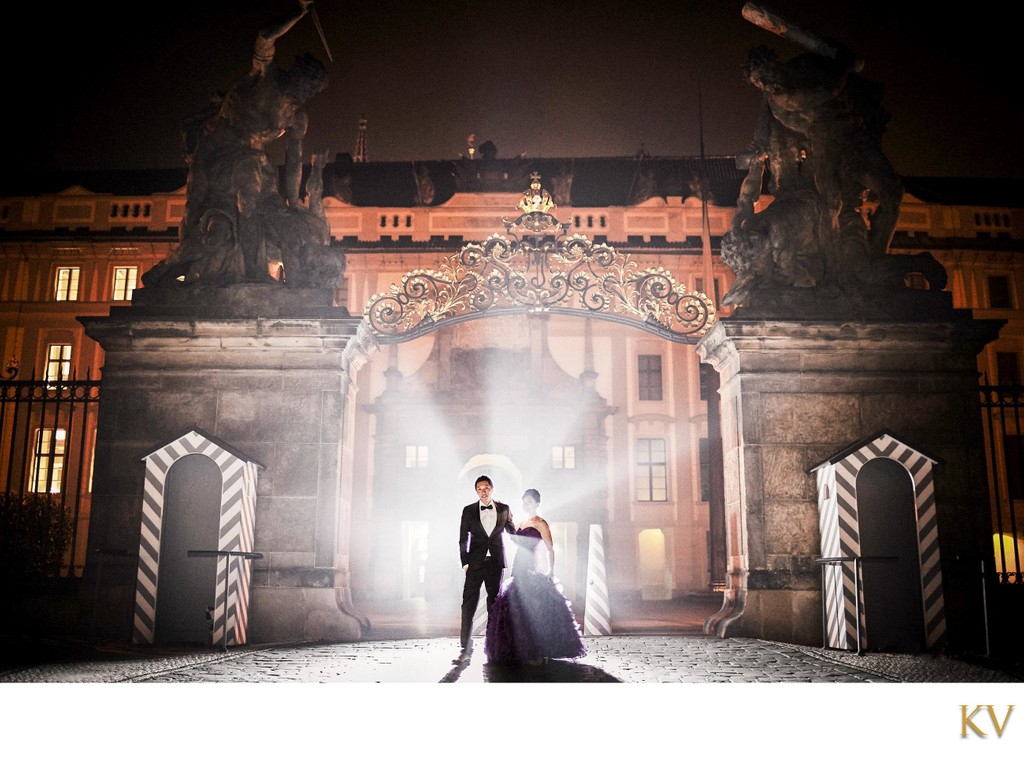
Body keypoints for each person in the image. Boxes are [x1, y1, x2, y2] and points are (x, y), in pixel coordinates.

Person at [143, 0, 331, 288]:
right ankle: (176, 269)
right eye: (304, 83)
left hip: (253, 164)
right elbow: (265, 37)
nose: (303, 92)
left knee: (255, 208)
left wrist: (292, 202)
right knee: (196, 213)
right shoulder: (266, 76)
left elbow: (294, 161)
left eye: (310, 90)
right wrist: (299, 11)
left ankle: (253, 272)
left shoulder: (297, 116)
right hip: (216, 151)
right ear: (296, 73)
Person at [484, 488, 586, 665]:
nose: (526, 504)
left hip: (532, 566)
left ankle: (538, 652)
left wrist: (551, 571)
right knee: (514, 610)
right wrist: (502, 511)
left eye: (529, 501)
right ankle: (518, 651)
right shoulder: (521, 522)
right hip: (518, 566)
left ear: (538, 503)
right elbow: (512, 535)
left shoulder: (541, 523)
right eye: (524, 501)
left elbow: (550, 549)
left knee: (534, 611)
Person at [455, 474, 515, 664]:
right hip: (474, 563)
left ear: (492, 489)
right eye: (479, 488)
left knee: (494, 604)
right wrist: (464, 561)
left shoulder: (504, 509)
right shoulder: (468, 510)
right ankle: (465, 645)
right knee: (468, 603)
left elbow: (512, 531)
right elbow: (463, 538)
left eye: (486, 487)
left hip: (495, 563)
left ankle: (493, 644)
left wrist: (530, 531)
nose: (483, 491)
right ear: (476, 491)